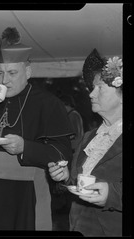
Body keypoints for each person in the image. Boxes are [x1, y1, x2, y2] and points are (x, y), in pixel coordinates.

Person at [0, 27, 74, 230]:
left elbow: (62, 152)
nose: (4, 80)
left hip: (22, 194)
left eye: (12, 73)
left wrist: (24, 147)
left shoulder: (48, 103)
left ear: (28, 72)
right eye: (0, 73)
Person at [48, 49, 122, 236]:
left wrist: (112, 194)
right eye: (92, 88)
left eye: (100, 89)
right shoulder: (89, 137)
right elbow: (79, 182)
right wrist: (65, 176)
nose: (91, 94)